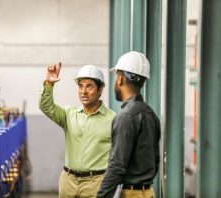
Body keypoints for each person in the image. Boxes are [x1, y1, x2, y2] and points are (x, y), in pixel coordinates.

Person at [39, 62, 115, 198]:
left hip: (96, 183)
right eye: (80, 86)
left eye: (89, 86)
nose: (83, 91)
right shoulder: (69, 114)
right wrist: (49, 84)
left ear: (100, 90)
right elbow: (46, 106)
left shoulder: (113, 119)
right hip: (68, 181)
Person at [97, 51, 161, 198]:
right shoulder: (151, 115)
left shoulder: (125, 117)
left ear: (120, 79)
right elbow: (156, 161)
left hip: (131, 194)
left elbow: (116, 167)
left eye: (115, 77)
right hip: (149, 193)